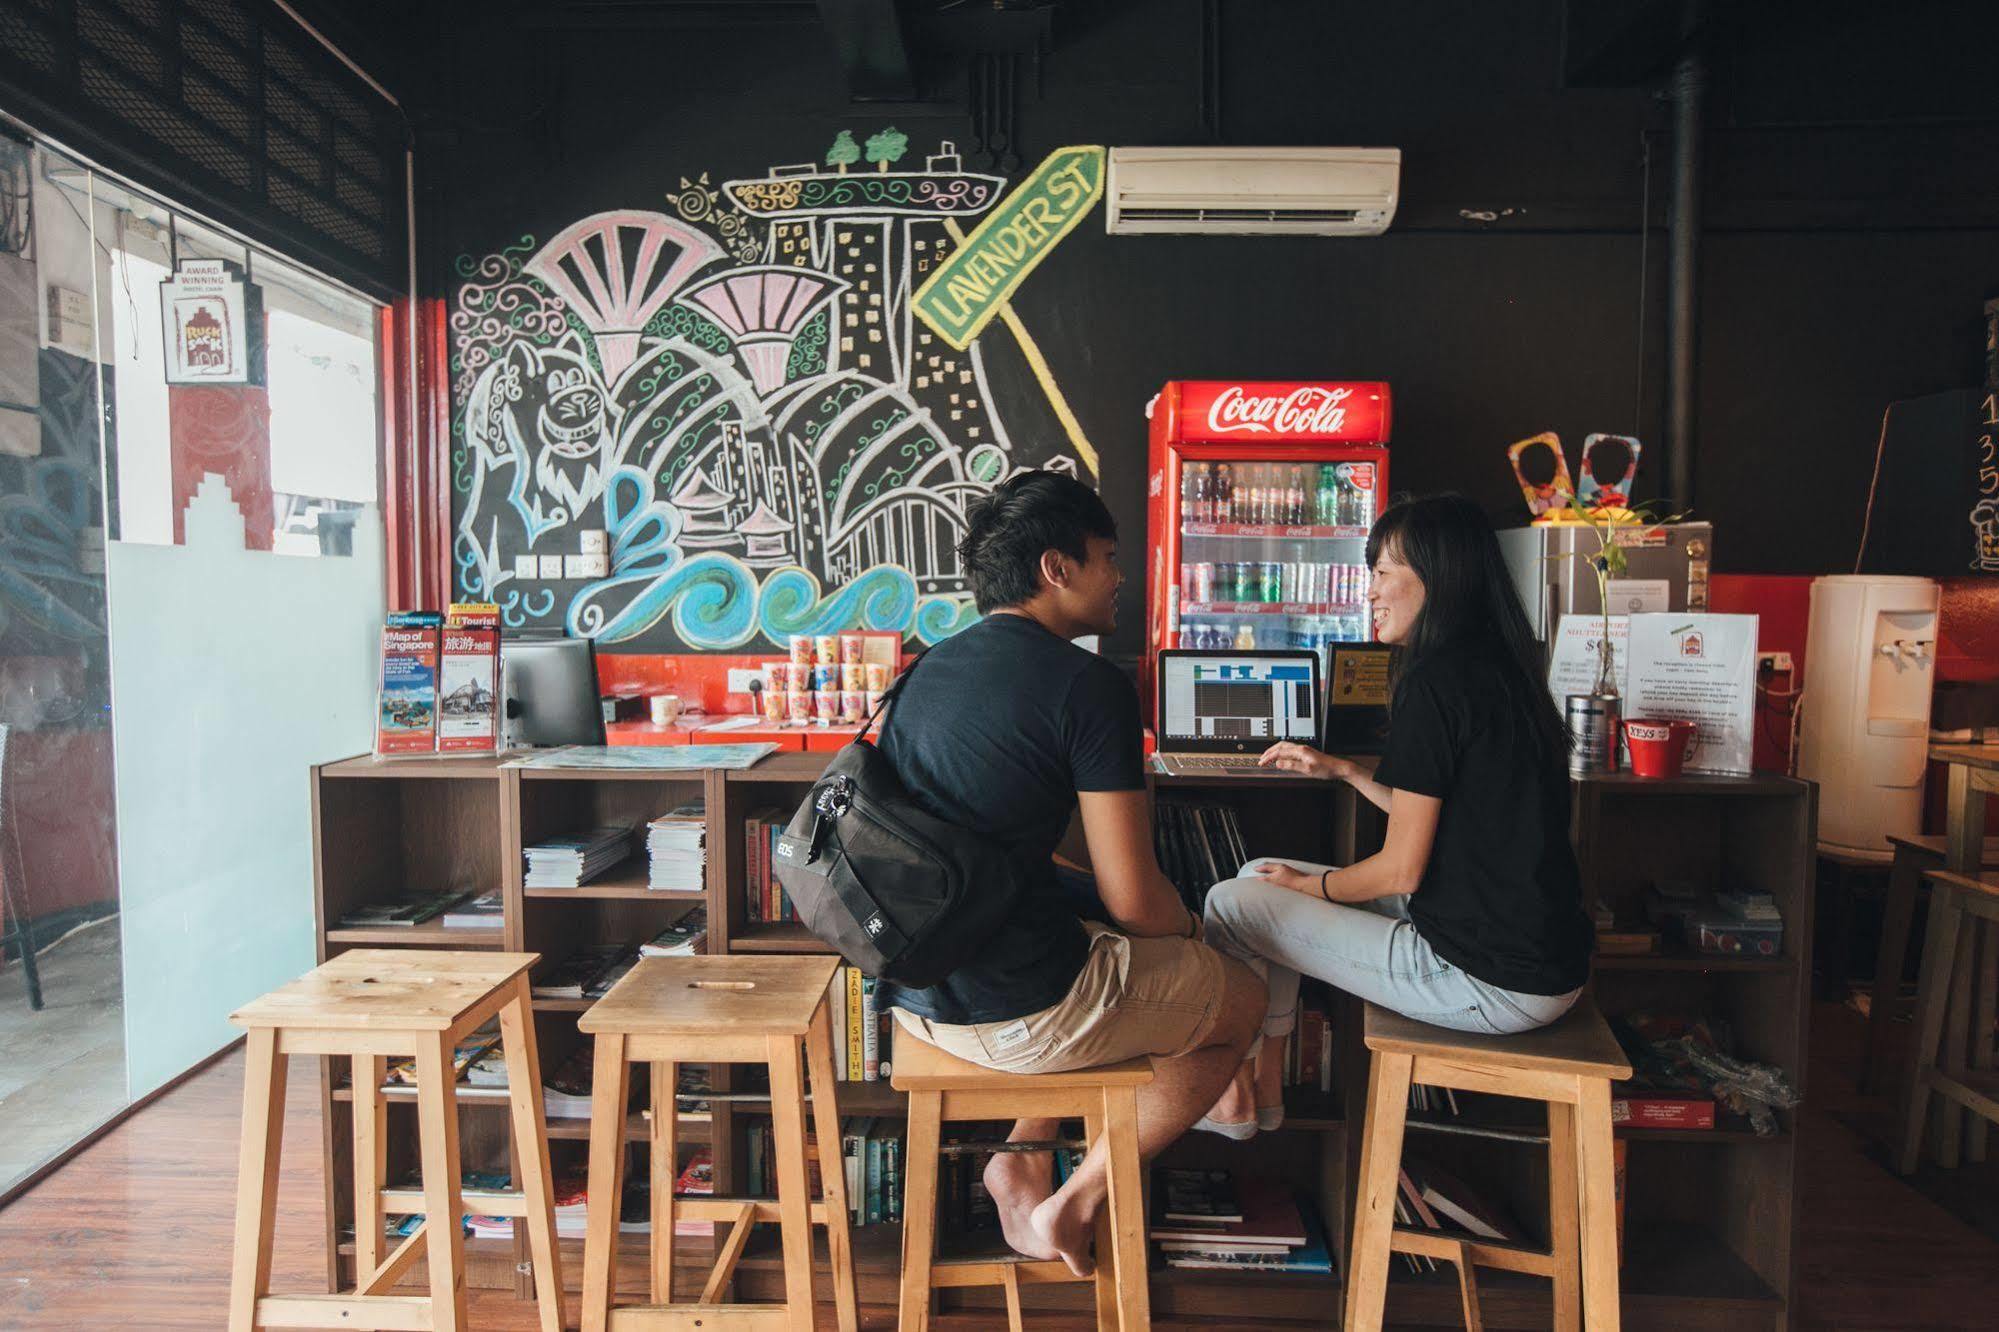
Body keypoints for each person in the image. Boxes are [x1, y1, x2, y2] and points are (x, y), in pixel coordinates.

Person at [877, 469, 1266, 1273]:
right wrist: (1201, 945)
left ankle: (1022, 1155)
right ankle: (1074, 1204)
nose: (1120, 575)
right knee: (1240, 998)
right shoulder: (1089, 687)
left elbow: (1000, 851)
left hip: (913, 998)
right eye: (1107, 556)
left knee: (1075, 941)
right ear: (1056, 570)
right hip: (1015, 1017)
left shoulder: (923, 670)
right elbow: (1135, 899)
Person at [1200, 493, 1594, 1133]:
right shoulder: (1503, 669)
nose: (1370, 591)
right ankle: (1262, 1087)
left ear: (1438, 577)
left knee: (1231, 901)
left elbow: (1401, 869)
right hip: (1538, 960)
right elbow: (1446, 820)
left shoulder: (1434, 683)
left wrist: (1313, 888)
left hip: (1483, 978)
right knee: (1258, 871)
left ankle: (1234, 1089)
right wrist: (1347, 770)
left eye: (1382, 572)